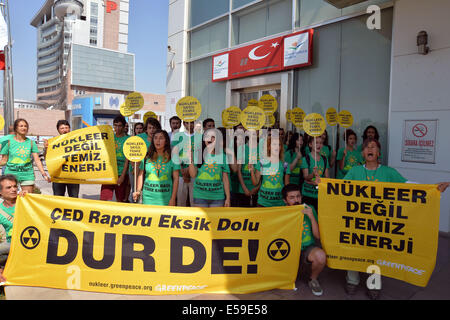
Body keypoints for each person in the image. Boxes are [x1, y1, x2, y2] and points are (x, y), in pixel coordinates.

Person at [343, 137, 408, 299]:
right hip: (357, 220)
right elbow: (337, 188)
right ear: (362, 153)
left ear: (379, 153)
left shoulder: (389, 172)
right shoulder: (355, 171)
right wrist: (320, 183)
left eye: (373, 147)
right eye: (366, 147)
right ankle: (352, 280)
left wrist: (433, 188)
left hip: (379, 223)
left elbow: (410, 186)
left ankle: (374, 283)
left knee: (376, 252)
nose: (370, 149)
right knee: (354, 249)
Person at [282, 184, 326, 296]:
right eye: (291, 198)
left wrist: (311, 217)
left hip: (307, 249)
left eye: (298, 196)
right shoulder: (281, 212)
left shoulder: (309, 209)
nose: (296, 200)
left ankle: (313, 280)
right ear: (285, 200)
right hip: (288, 250)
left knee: (321, 256)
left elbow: (318, 236)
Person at [0, 119, 50, 193]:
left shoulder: (31, 143)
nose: (24, 128)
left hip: (27, 174)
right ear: (16, 128)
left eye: (25, 126)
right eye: (21, 126)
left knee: (27, 198)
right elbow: (4, 160)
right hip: (11, 174)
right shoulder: (8, 142)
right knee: (11, 198)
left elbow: (37, 160)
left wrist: (44, 174)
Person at [133, 130, 180, 206]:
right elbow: (141, 174)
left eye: (161, 138)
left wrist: (173, 198)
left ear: (166, 141)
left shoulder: (173, 157)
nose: (158, 141)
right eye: (155, 138)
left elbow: (176, 178)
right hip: (148, 198)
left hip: (166, 199)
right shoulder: (146, 156)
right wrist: (138, 191)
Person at [188, 128, 230, 207]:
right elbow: (193, 175)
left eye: (213, 137)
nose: (210, 139)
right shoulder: (198, 154)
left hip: (218, 197)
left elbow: (225, 178)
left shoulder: (223, 156)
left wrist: (228, 198)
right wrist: (190, 159)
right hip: (199, 196)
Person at [249, 134, 288, 207]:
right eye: (274, 144)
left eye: (279, 145)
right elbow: (255, 183)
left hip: (279, 204)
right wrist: (251, 170)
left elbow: (287, 187)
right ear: (269, 147)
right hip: (263, 203)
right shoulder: (261, 163)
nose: (277, 147)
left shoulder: (284, 165)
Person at [44, 120, 80, 198]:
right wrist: (46, 148)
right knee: (58, 198)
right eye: (62, 128)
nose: (65, 130)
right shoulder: (53, 142)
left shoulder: (76, 141)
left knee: (74, 198)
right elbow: (46, 158)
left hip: (73, 175)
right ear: (58, 130)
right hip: (58, 176)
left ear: (70, 129)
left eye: (66, 128)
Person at [100, 115, 129, 202]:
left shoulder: (128, 139)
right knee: (104, 199)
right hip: (109, 173)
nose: (117, 128)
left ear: (124, 127)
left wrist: (123, 176)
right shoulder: (109, 137)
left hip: (121, 174)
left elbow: (127, 159)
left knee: (120, 200)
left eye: (120, 126)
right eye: (115, 125)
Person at [0, 175, 27, 267]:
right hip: (11, 244)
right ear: (0, 192)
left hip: (29, 241)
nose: (14, 189)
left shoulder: (26, 201)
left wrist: (28, 197)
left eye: (15, 186)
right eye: (9, 187)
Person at [300, 135, 330, 211]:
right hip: (308, 194)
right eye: (316, 143)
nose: (319, 145)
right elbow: (306, 177)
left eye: (321, 143)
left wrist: (320, 182)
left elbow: (327, 177)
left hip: (320, 195)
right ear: (310, 144)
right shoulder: (306, 159)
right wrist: (313, 174)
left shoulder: (324, 159)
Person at [172, 120, 197, 206]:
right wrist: (182, 170)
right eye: (187, 122)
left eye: (192, 122)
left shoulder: (199, 137)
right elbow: (175, 154)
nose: (190, 124)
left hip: (195, 173)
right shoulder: (178, 136)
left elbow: (200, 156)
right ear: (183, 124)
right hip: (181, 174)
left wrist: (191, 170)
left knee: (194, 202)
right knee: (181, 202)